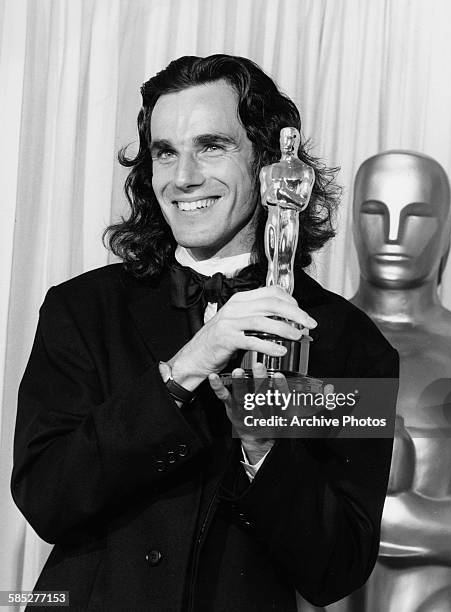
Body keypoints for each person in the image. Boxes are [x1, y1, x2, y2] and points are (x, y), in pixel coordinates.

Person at [12, 54, 398, 612]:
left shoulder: (349, 342)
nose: (184, 176)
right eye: (165, 152)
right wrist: (184, 369)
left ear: (269, 163)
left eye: (211, 145)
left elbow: (337, 568)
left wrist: (265, 452)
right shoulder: (81, 309)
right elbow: (47, 500)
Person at [349, 150, 451, 612]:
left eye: (417, 215)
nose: (391, 234)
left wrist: (352, 505)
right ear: (352, 222)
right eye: (374, 212)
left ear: (446, 233)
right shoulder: (305, 340)